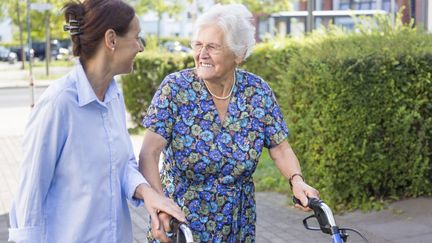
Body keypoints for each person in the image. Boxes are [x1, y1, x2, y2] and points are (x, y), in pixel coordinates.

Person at [139, 3, 319, 242]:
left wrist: (297, 181)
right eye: (198, 45)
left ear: (239, 53)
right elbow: (148, 154)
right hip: (180, 223)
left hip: (238, 224)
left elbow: (280, 147)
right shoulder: (175, 89)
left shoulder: (256, 91)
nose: (202, 54)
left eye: (212, 47)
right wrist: (159, 205)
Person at [8, 0, 185, 242]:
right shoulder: (59, 104)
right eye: (137, 37)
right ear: (111, 39)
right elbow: (30, 198)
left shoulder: (114, 97)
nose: (140, 47)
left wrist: (149, 194)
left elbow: (122, 166)